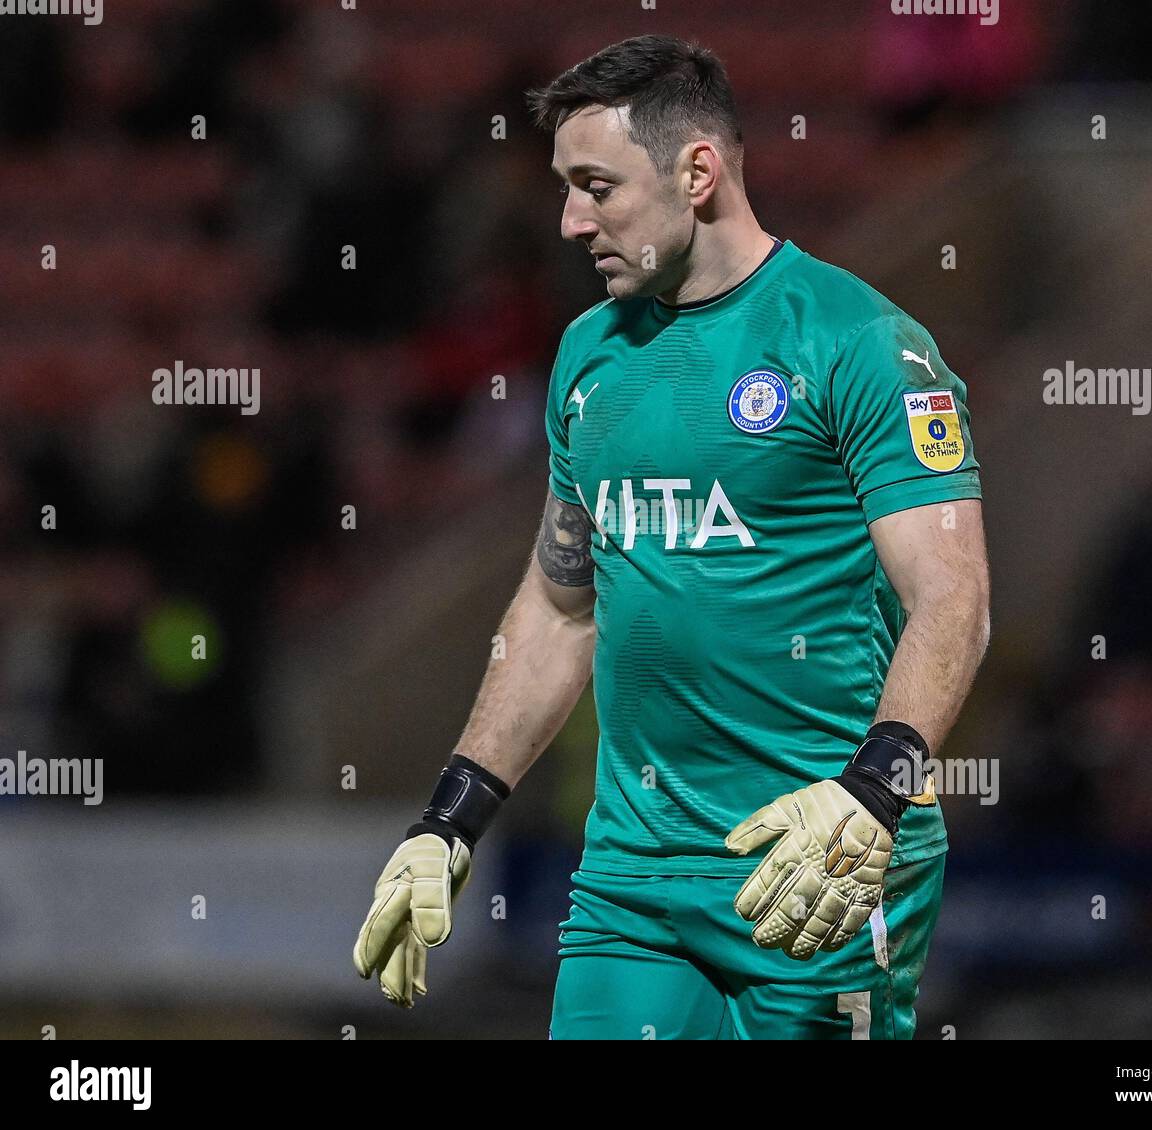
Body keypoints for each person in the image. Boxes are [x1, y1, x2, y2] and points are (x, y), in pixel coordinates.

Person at [353, 33, 990, 1040]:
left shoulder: (859, 343)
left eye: (595, 186)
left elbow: (953, 596)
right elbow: (562, 605)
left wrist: (874, 790)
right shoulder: (587, 356)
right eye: (565, 188)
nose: (569, 220)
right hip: (632, 876)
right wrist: (449, 819)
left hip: (818, 859)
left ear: (696, 172)